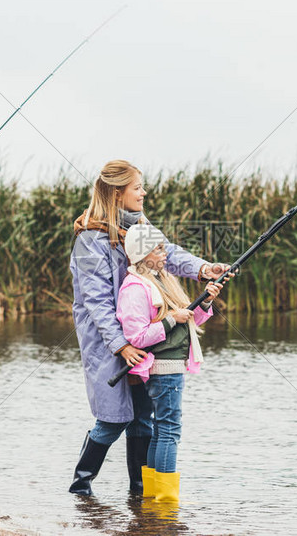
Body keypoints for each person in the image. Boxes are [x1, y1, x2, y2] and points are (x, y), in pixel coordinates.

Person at [68, 159, 231, 496]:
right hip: (108, 339)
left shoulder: (138, 223)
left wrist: (204, 269)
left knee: (143, 417)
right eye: (137, 188)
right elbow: (96, 303)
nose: (144, 193)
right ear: (117, 194)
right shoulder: (89, 240)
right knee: (114, 418)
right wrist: (121, 346)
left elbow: (165, 253)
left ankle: (138, 493)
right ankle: (81, 486)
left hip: (144, 331)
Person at [117, 224, 223, 503]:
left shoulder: (161, 280)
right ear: (142, 255)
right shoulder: (135, 288)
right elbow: (136, 337)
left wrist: (206, 302)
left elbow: (190, 322)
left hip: (172, 367)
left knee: (161, 430)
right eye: (158, 249)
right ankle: (164, 503)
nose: (165, 254)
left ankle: (152, 499)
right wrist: (170, 319)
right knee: (169, 430)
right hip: (163, 369)